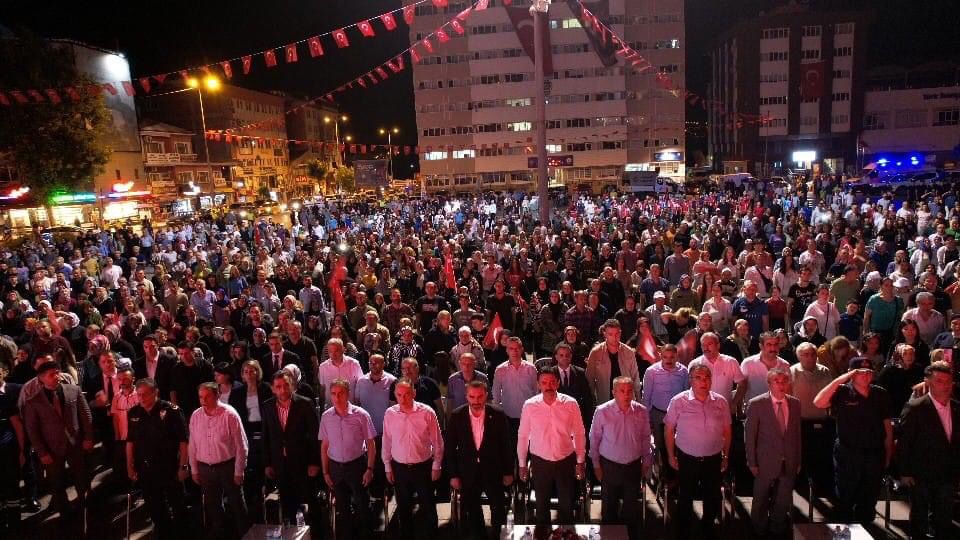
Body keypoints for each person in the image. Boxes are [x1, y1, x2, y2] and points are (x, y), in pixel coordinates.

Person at [813, 357, 895, 524]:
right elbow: (819, 402)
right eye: (860, 372)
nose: (865, 375)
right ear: (851, 374)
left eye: (869, 372)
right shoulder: (842, 391)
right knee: (846, 494)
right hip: (848, 452)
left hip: (874, 452)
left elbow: (887, 425)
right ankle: (845, 528)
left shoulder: (880, 393)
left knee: (870, 495)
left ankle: (867, 527)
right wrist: (841, 379)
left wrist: (888, 452)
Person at [664, 364, 731, 539]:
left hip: (713, 458)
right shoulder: (679, 401)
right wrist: (671, 455)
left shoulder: (721, 402)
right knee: (685, 496)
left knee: (712, 497)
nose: (703, 382)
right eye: (698, 378)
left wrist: (725, 455)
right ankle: (683, 532)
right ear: (690, 380)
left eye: (707, 378)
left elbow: (727, 430)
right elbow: (669, 429)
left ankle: (707, 529)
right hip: (687, 457)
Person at [21, 360, 93, 522]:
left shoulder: (73, 390)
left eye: (57, 372)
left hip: (75, 443)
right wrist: (42, 452)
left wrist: (88, 437)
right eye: (51, 375)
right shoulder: (33, 401)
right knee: (57, 482)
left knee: (82, 477)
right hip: (51, 448)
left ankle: (86, 507)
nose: (57, 377)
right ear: (41, 379)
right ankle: (65, 513)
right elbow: (32, 430)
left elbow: (86, 415)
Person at [897, 362, 960, 539]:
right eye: (939, 381)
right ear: (928, 383)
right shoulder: (915, 408)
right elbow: (904, 442)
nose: (945, 385)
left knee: (944, 518)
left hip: (947, 474)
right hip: (921, 473)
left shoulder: (957, 408)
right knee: (919, 518)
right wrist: (904, 472)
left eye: (948, 381)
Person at [444, 380, 514, 540]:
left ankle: (498, 536)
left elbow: (506, 445)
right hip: (468, 472)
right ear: (466, 396)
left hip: (493, 471)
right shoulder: (457, 416)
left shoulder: (498, 414)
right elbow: (450, 448)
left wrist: (508, 471)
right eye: (472, 397)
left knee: (498, 509)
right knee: (472, 509)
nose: (476, 401)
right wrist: (453, 475)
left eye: (480, 396)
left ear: (486, 395)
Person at [517, 366, 586, 525]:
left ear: (558, 383)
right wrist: (522, 464)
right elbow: (523, 436)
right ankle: (543, 534)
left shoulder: (571, 404)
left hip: (565, 460)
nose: (548, 386)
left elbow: (579, 433)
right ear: (538, 384)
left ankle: (567, 534)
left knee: (567, 505)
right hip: (540, 462)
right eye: (544, 382)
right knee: (541, 507)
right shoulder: (529, 405)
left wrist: (580, 461)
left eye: (552, 382)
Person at [589, 376, 652, 540]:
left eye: (629, 391)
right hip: (609, 466)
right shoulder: (602, 411)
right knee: (609, 508)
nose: (626, 394)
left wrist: (647, 461)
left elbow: (646, 437)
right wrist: (596, 465)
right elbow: (594, 439)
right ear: (614, 392)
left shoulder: (641, 411)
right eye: (622, 391)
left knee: (631, 509)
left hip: (633, 466)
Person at [125, 378, 189, 540]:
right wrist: (130, 467)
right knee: (155, 507)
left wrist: (183, 466)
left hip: (170, 467)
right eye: (139, 394)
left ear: (156, 393)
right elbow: (130, 442)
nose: (141, 398)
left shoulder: (171, 411)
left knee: (178, 505)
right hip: (146, 469)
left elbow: (183, 441)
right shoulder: (134, 413)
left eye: (145, 394)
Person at [382, 378, 444, 540]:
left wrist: (436, 465)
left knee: (428, 507)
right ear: (395, 395)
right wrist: (387, 466)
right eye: (399, 395)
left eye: (407, 394)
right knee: (403, 509)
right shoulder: (390, 414)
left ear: (414, 393)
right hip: (400, 468)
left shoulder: (427, 412)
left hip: (423, 467)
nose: (403, 399)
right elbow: (386, 441)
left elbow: (437, 441)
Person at [744, 368, 801, 537]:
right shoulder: (757, 404)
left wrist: (798, 460)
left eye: (784, 381)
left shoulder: (795, 403)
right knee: (760, 498)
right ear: (769, 384)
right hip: (765, 460)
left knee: (783, 499)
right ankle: (758, 530)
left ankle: (777, 529)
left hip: (789, 460)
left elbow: (797, 434)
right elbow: (750, 436)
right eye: (777, 381)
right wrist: (752, 462)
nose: (781, 385)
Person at [188, 382, 249, 539]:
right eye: (201, 397)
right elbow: (192, 444)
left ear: (217, 395)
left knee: (237, 505)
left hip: (227, 467)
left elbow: (241, 445)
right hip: (205, 469)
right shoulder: (196, 415)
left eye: (207, 397)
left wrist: (239, 471)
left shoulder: (229, 414)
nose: (203, 400)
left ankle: (246, 536)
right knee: (213, 508)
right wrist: (194, 469)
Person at [319, 379, 378, 540]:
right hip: (336, 467)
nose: (337, 397)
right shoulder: (326, 416)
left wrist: (370, 469)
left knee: (362, 506)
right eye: (333, 394)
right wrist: (325, 472)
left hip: (357, 465)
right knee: (342, 509)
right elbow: (324, 446)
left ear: (348, 394)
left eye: (341, 393)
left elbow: (371, 443)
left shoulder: (361, 415)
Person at [262, 371, 320, 524]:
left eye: (286, 385)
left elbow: (315, 436)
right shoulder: (267, 406)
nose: (282, 390)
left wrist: (314, 462)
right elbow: (266, 436)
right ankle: (291, 530)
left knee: (310, 503)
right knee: (287, 504)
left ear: (292, 385)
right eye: (278, 386)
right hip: (280, 464)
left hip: (303, 463)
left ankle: (314, 531)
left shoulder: (305, 404)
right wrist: (268, 463)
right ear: (273, 389)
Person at [789, 342, 835, 491]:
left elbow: (831, 394)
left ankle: (821, 486)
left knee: (821, 455)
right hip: (800, 421)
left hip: (821, 420)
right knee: (802, 455)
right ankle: (801, 485)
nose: (810, 357)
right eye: (806, 354)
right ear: (799, 356)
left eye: (812, 354)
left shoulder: (825, 371)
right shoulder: (792, 371)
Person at [640, 344, 688, 483]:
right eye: (665, 357)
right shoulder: (651, 371)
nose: (668, 360)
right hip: (658, 414)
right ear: (661, 356)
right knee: (661, 446)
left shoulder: (684, 371)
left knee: (678, 445)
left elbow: (686, 393)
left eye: (672, 357)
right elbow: (646, 396)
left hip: (678, 416)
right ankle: (664, 477)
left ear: (676, 356)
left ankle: (678, 477)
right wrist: (647, 418)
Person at [491, 337, 538, 437]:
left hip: (528, 414)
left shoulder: (531, 369)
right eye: (511, 348)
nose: (514, 351)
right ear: (507, 350)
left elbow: (537, 392)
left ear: (522, 349)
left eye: (517, 348)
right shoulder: (500, 370)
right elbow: (496, 394)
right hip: (508, 414)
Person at [585, 319, 640, 404]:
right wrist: (592, 400)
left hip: (626, 399)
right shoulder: (596, 352)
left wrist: (638, 400)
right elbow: (590, 378)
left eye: (617, 334)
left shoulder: (628, 352)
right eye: (610, 334)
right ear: (605, 334)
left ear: (620, 333)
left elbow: (635, 377)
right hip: (605, 399)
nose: (614, 337)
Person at [317, 337, 363, 409]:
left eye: (336, 351)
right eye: (330, 351)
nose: (333, 354)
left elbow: (360, 385)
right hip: (331, 409)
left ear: (343, 350)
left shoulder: (354, 364)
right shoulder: (323, 367)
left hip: (351, 408)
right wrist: (322, 408)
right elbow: (322, 389)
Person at [445, 352, 489, 417]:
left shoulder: (482, 378)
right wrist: (449, 419)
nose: (466, 367)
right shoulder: (452, 379)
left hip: (478, 416)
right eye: (464, 364)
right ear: (459, 364)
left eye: (469, 364)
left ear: (475, 364)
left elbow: (488, 400)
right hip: (459, 416)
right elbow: (449, 401)